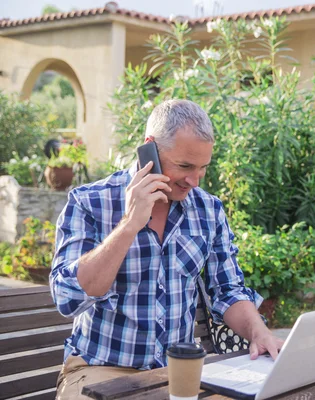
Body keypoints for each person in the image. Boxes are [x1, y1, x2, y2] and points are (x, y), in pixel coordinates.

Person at [50, 99, 284, 399]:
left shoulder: (208, 210)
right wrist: (130, 223)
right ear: (150, 149)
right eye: (184, 166)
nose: (193, 180)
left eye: (202, 168)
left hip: (179, 370)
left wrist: (259, 332)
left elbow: (227, 291)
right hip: (100, 367)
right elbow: (67, 299)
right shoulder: (90, 202)